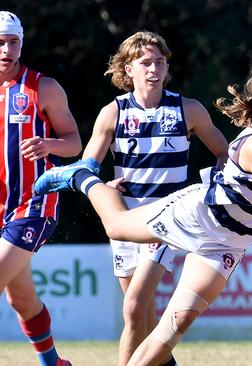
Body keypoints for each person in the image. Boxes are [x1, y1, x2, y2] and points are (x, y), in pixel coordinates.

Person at [33, 61, 252, 366]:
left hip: (230, 244)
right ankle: (81, 176)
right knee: (116, 225)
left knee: (178, 321)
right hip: (199, 215)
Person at [82, 31, 228, 366]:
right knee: (144, 316)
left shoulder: (187, 109)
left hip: (165, 220)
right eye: (145, 62)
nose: (154, 68)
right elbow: (86, 168)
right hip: (124, 220)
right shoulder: (113, 112)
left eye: (159, 62)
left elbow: (224, 154)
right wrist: (103, 183)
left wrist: (216, 187)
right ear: (127, 69)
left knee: (133, 307)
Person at [0, 11, 82, 366]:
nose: (6, 49)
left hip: (32, 206)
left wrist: (49, 146)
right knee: (21, 299)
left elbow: (75, 141)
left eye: (13, 41)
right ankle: (54, 364)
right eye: (0, 42)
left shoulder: (42, 87)